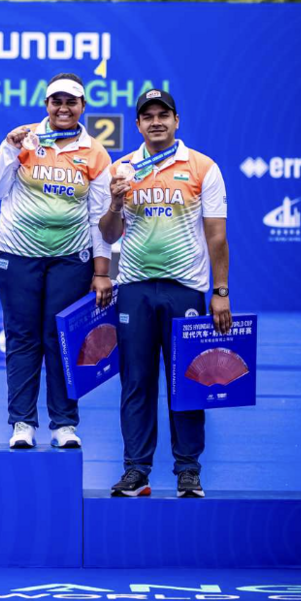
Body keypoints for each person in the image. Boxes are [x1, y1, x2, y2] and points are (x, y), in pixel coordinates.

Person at [98, 88, 231, 498]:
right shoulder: (122, 168)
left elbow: (217, 235)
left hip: (186, 290)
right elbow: (106, 234)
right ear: (138, 125)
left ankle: (188, 470)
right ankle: (136, 471)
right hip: (134, 288)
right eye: (148, 116)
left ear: (177, 121)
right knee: (136, 382)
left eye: (163, 115)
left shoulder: (203, 167)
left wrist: (220, 291)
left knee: (187, 382)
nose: (156, 121)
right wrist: (116, 203)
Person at [0, 74, 113, 450]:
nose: (63, 108)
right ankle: (22, 422)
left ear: (83, 107)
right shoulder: (25, 141)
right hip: (16, 254)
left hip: (71, 259)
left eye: (71, 102)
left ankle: (64, 424)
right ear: (46, 105)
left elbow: (98, 216)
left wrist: (101, 271)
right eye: (56, 101)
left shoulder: (95, 153)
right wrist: (9, 150)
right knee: (23, 338)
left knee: (63, 339)